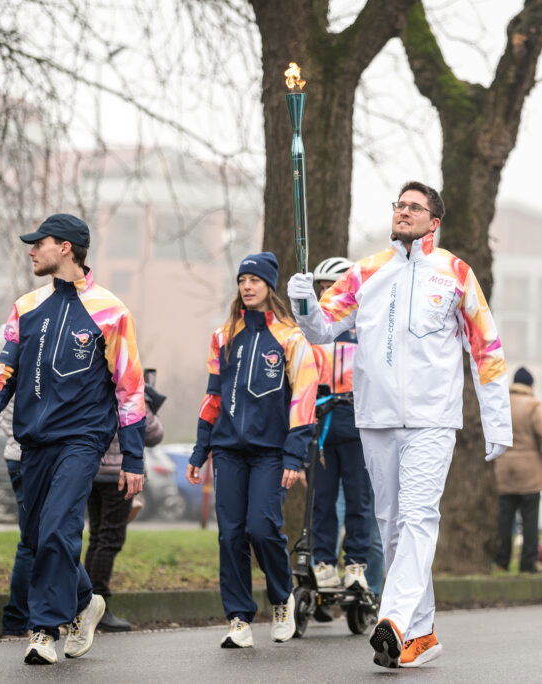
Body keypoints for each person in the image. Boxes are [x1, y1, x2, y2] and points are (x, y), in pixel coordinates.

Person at [288, 181, 512, 669]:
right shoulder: (366, 273)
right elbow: (321, 331)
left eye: (416, 207)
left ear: (434, 221)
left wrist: (498, 423)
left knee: (418, 517)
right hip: (376, 419)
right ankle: (422, 633)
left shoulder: (454, 273)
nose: (404, 212)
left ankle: (391, 617)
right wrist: (303, 303)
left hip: (433, 420)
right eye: (400, 205)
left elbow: (486, 350)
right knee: (391, 527)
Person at [0, 213, 147, 665]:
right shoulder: (26, 306)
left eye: (39, 243)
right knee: (38, 536)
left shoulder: (111, 310)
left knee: (58, 529)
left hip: (83, 440)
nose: (31, 250)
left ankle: (44, 629)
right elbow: (2, 367)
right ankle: (85, 601)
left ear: (65, 247)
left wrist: (134, 459)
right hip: (34, 441)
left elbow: (130, 390)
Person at [188, 252, 317, 649]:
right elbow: (212, 397)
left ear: (269, 286)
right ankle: (239, 618)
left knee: (261, 528)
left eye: (255, 280)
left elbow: (304, 399)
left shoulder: (292, 339)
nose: (247, 286)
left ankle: (281, 600)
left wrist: (295, 456)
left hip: (270, 452)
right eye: (242, 279)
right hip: (228, 450)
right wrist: (199, 450)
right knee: (230, 536)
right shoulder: (223, 336)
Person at [307, 257, 382, 607]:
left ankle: (355, 564)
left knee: (358, 500)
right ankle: (323, 562)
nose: (328, 293)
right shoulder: (312, 330)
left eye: (334, 286)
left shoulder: (364, 325)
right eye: (323, 287)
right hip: (321, 423)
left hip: (356, 421)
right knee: (322, 501)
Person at [85, 377, 165, 632]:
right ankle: (98, 607)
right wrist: (149, 403)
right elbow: (153, 433)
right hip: (120, 473)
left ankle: (84, 604)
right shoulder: (130, 388)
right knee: (109, 539)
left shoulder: (91, 382)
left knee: (97, 538)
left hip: (91, 470)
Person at [493, 366, 542, 573]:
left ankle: (501, 561)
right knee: (530, 519)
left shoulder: (501, 404)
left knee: (504, 519)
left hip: (504, 469)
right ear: (531, 385)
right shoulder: (534, 406)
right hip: (530, 471)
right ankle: (528, 563)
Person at [0, 326, 32, 637]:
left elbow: (3, 413)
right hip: (30, 458)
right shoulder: (32, 365)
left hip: (15, 454)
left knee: (32, 540)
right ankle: (17, 618)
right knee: (37, 541)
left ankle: (18, 618)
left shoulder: (6, 368)